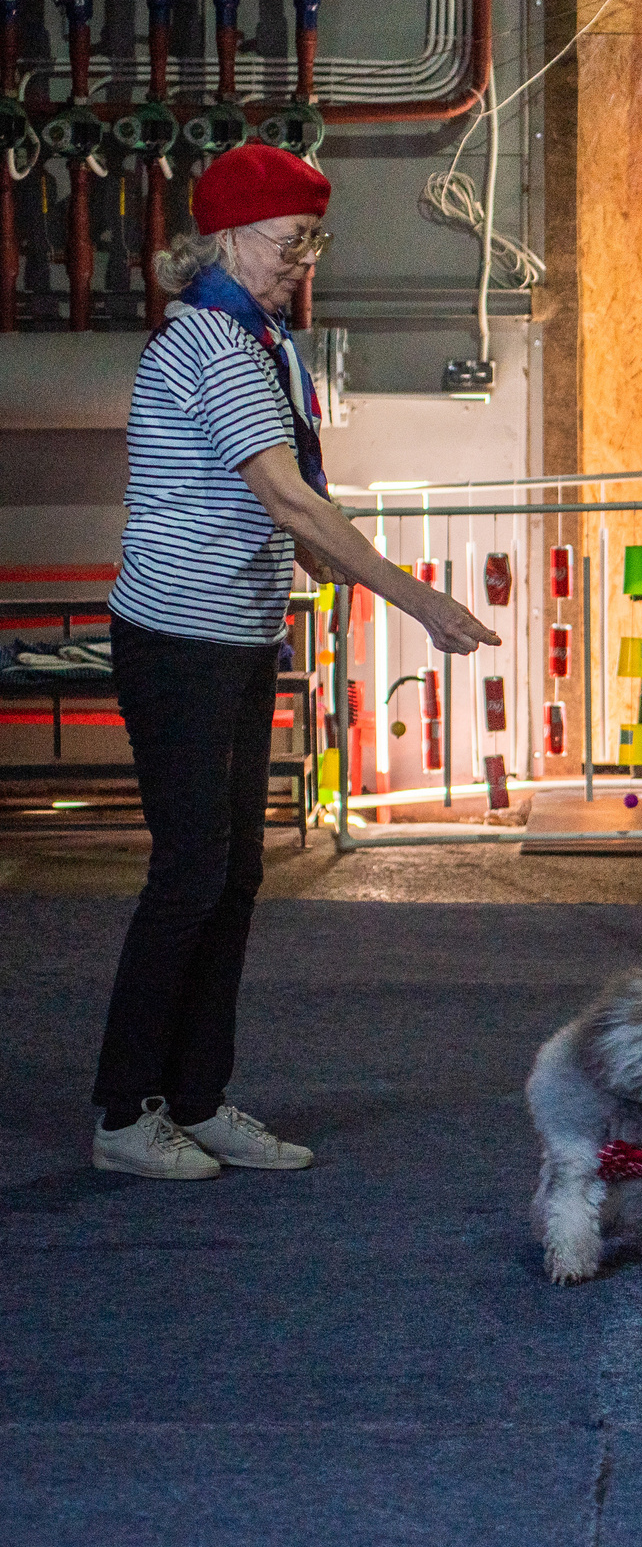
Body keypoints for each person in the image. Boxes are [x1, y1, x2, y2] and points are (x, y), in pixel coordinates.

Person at [90, 143, 501, 1180]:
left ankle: (196, 1094)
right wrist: (418, 597)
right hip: (177, 641)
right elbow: (290, 496)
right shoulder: (212, 348)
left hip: (231, 638)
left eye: (312, 240)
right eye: (288, 242)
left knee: (233, 873)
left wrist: (331, 578)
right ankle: (122, 1112)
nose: (301, 260)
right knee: (190, 873)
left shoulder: (264, 340)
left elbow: (298, 519)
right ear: (225, 237)